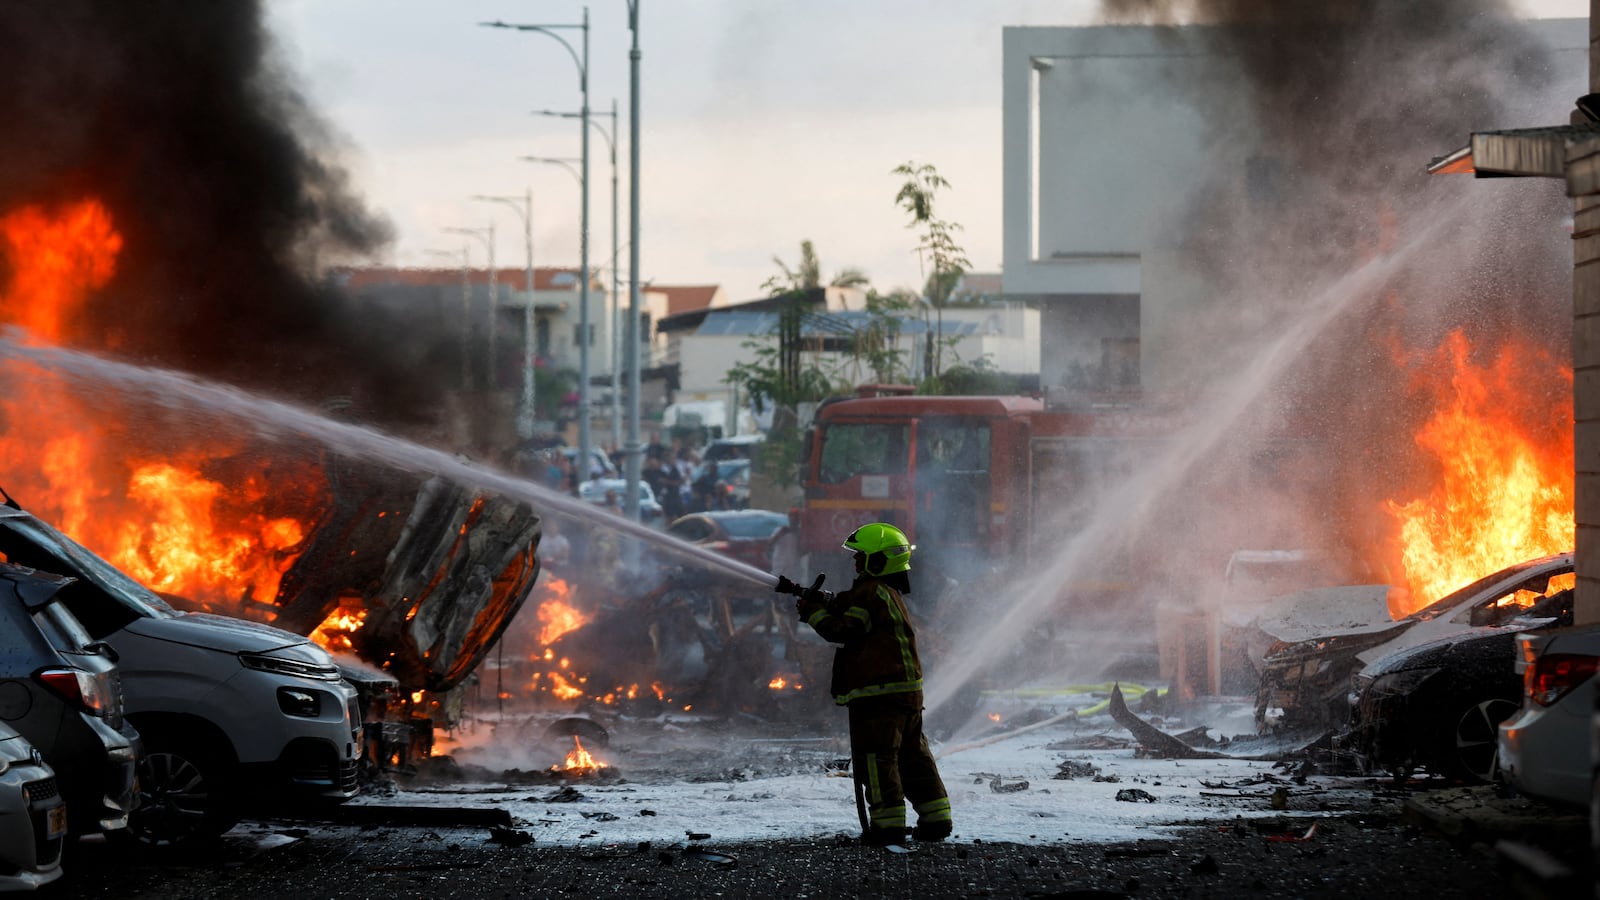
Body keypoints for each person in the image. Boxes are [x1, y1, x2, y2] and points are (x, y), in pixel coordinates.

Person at [775, 523, 952, 846]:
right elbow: (846, 604)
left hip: (878, 695)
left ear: (881, 560)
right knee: (913, 758)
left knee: (877, 759)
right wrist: (811, 596)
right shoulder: (887, 593)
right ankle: (936, 819)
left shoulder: (871, 593)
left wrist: (812, 613)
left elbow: (844, 630)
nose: (855, 562)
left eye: (862, 557)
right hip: (905, 693)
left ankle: (887, 827)